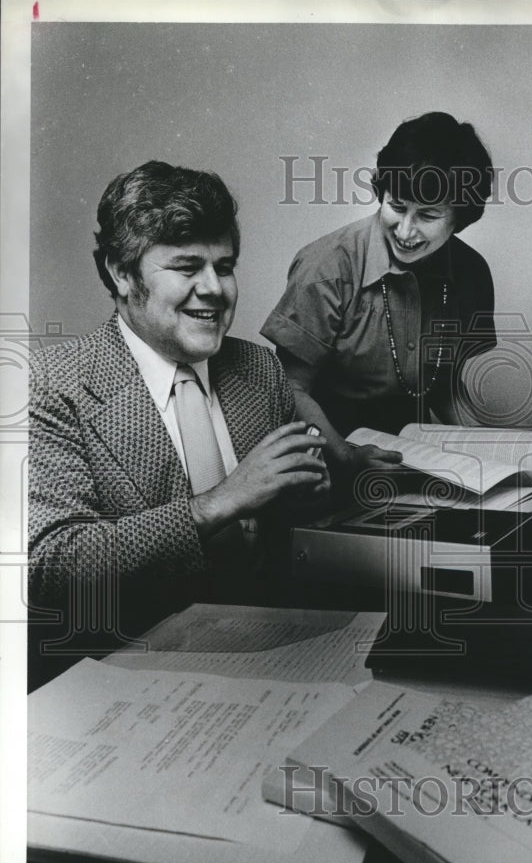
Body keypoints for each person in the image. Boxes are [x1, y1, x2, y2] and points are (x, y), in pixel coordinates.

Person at [28, 161, 327, 661]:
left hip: (273, 657)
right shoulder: (51, 384)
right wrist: (219, 502)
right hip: (124, 676)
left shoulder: (259, 369)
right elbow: (53, 567)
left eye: (225, 266)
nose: (215, 288)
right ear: (122, 273)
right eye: (188, 267)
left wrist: (308, 493)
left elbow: (282, 544)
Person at [261, 111, 497, 480]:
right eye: (397, 206)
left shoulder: (472, 274)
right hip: (320, 464)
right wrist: (345, 458)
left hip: (408, 461)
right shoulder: (326, 267)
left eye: (428, 216)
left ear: (460, 218)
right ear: (380, 192)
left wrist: (487, 451)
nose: (405, 231)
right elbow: (289, 389)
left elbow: (443, 386)